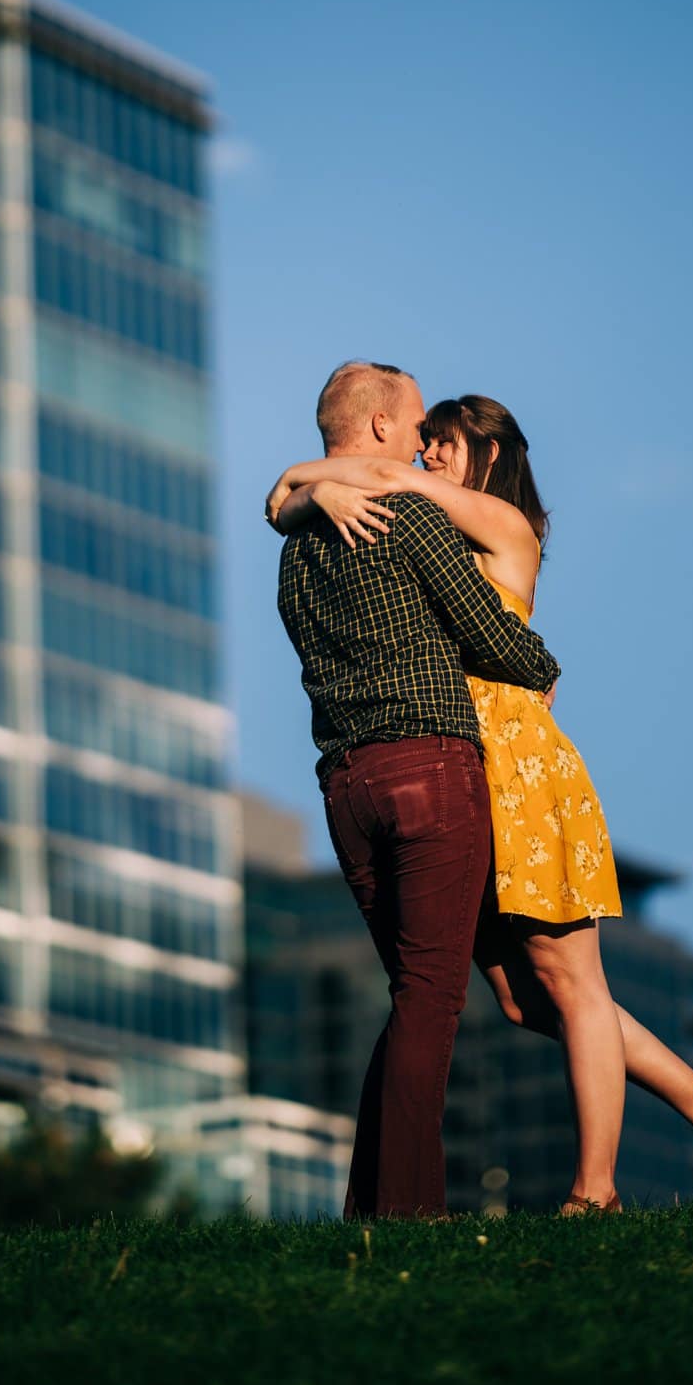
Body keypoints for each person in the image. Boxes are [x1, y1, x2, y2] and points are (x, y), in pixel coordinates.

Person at [268, 392, 693, 1211]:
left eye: (442, 444)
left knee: (573, 985)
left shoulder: (503, 526)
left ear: (490, 456)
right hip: (459, 765)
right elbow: (370, 475)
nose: (427, 457)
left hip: (517, 769)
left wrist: (299, 487)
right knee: (517, 997)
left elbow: (378, 475)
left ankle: (596, 1189)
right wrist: (308, 495)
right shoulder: (427, 516)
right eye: (422, 442)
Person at [273, 361, 561, 1219]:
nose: (417, 447)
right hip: (430, 769)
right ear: (372, 431)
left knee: (412, 997)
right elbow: (491, 633)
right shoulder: (407, 520)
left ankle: (372, 1207)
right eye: (408, 428)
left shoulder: (294, 550)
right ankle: (407, 1214)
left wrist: (306, 493)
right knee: (431, 1001)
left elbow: (286, 503)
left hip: (346, 788)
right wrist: (544, 670)